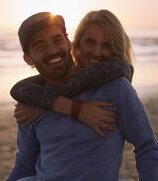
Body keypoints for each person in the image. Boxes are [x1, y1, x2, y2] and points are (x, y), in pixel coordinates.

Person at [7, 11, 158, 181]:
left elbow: (146, 146)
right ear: (28, 59)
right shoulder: (31, 103)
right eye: (40, 46)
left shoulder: (115, 88)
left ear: (68, 42)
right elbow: (25, 163)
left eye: (57, 40)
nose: (52, 50)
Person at [11, 10, 135, 138]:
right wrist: (70, 107)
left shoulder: (117, 79)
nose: (97, 53)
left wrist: (48, 104)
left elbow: (146, 145)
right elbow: (18, 88)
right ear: (77, 43)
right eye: (90, 42)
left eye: (106, 45)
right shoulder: (35, 98)